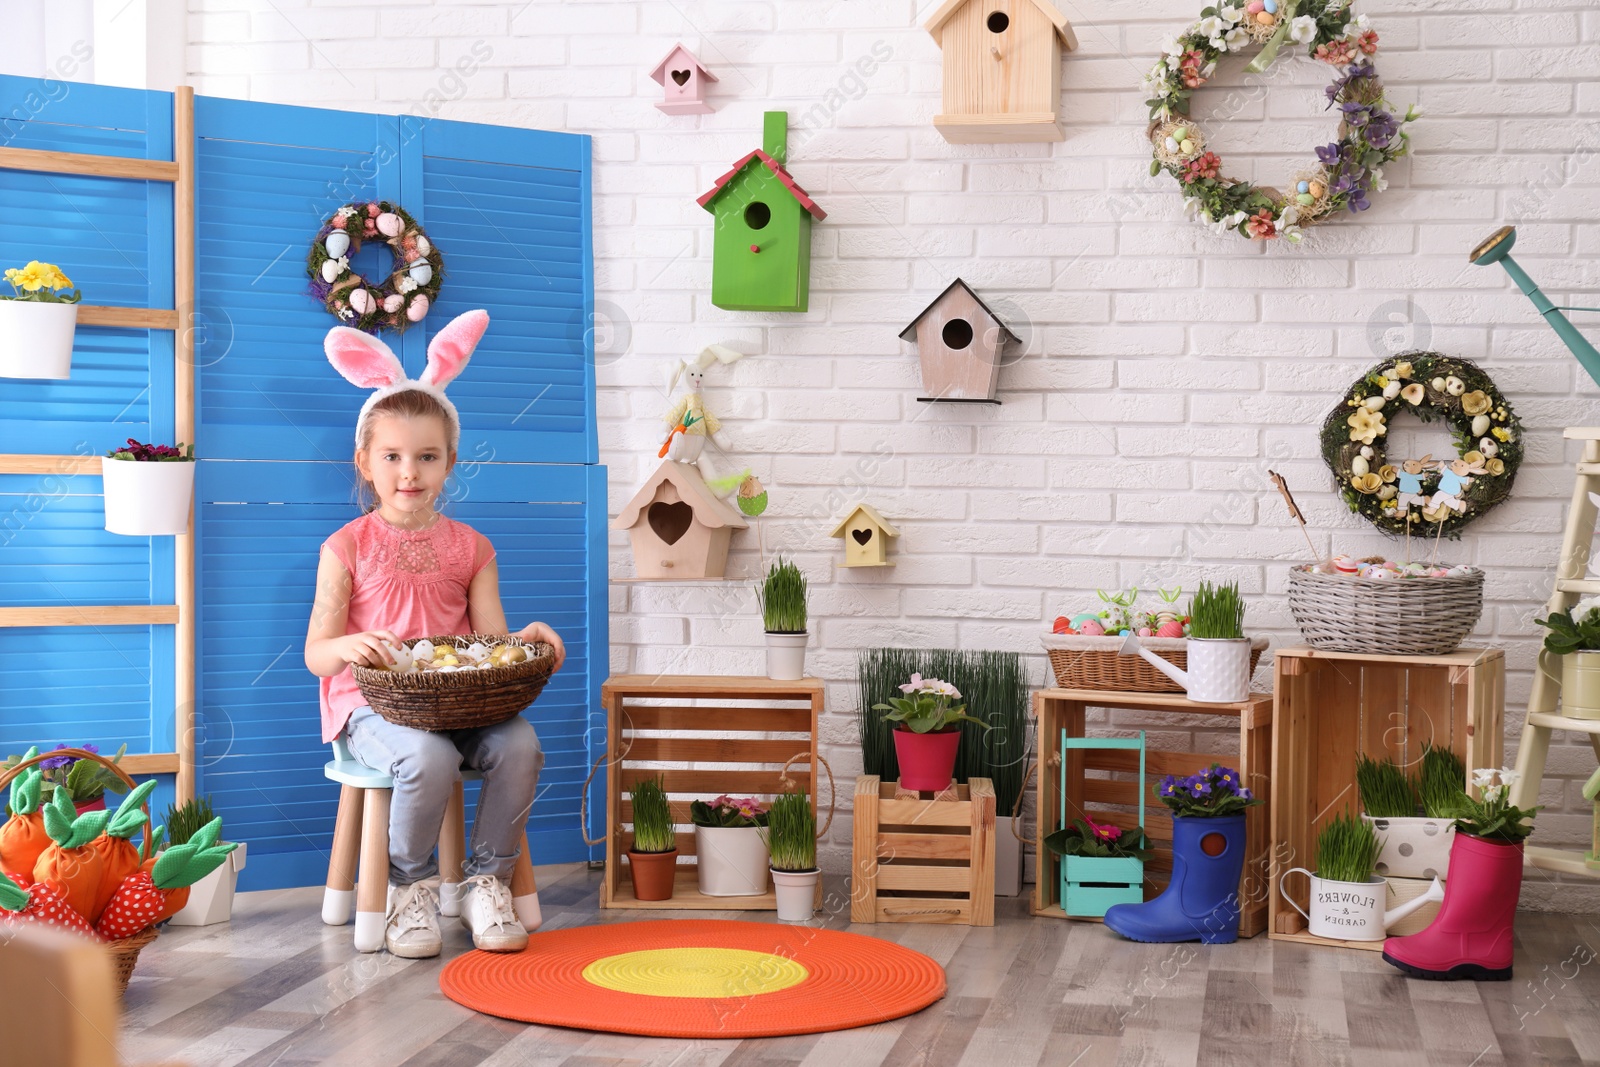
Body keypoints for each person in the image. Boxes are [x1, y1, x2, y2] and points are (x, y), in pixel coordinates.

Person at [304, 309, 565, 958]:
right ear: (365, 461)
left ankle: (485, 879)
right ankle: (409, 885)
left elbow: (490, 649)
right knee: (428, 757)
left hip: (461, 703)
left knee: (522, 745)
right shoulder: (346, 546)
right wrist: (347, 648)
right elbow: (316, 653)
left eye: (426, 456)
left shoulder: (472, 547)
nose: (409, 472)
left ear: (450, 462)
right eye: (392, 456)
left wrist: (529, 645)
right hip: (371, 707)